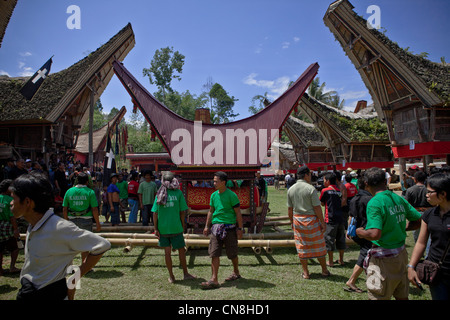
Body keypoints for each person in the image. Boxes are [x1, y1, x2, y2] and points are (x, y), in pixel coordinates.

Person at [11, 172, 110, 300]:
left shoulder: (59, 227)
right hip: (28, 290)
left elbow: (102, 245)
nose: (11, 203)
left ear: (28, 202)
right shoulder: (33, 224)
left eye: (13, 199)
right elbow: (94, 208)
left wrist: (73, 280)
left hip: (51, 294)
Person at [356, 167, 421, 300]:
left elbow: (375, 234)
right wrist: (400, 228)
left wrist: (360, 232)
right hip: (401, 256)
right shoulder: (397, 198)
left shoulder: (375, 202)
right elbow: (418, 220)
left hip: (383, 259)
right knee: (402, 295)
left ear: (366, 183)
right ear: (385, 181)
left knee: (377, 296)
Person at [407, 173, 450, 300]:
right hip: (436, 272)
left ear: (443, 194)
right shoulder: (429, 215)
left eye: (429, 192)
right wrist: (411, 266)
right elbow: (421, 243)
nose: (426, 195)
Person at [201, 171, 243, 289]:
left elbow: (238, 213)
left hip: (229, 227)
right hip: (215, 228)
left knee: (232, 253)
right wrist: (206, 226)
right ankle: (214, 279)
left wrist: (240, 228)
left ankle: (236, 272)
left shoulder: (232, 195)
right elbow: (211, 211)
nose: (213, 183)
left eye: (216, 181)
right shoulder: (213, 195)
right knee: (214, 253)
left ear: (223, 182)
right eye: (213, 181)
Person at [152, 172, 196, 283]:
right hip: (176, 227)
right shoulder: (178, 193)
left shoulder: (159, 194)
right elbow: (182, 212)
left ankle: (171, 276)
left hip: (163, 228)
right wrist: (183, 224)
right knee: (181, 250)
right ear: (173, 181)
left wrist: (156, 228)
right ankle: (186, 273)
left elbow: (155, 213)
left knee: (167, 252)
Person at [287, 165, 330, 279]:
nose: (310, 176)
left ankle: (306, 273)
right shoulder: (310, 189)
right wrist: (322, 222)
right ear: (306, 175)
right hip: (311, 220)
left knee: (302, 246)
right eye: (309, 174)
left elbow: (290, 209)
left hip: (298, 219)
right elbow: (317, 208)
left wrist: (291, 221)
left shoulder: (291, 189)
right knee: (319, 245)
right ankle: (324, 270)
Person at [345, 175, 372, 293]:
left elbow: (351, 216)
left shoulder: (354, 199)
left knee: (367, 253)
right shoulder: (370, 200)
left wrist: (348, 231)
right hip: (367, 231)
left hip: (356, 232)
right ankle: (352, 280)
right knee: (365, 253)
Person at [63, 172, 101, 237]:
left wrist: (66, 221)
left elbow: (64, 208)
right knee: (86, 242)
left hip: (72, 221)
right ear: (87, 182)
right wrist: (98, 223)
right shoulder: (90, 192)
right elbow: (94, 209)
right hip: (86, 220)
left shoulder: (69, 191)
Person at [320, 172, 346, 267]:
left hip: (330, 219)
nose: (323, 182)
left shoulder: (325, 190)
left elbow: (322, 203)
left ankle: (330, 262)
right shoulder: (339, 190)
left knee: (329, 240)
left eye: (324, 180)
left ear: (327, 181)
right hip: (340, 218)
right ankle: (341, 260)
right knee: (341, 239)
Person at [0, 179, 20, 276]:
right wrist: (16, 229)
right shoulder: (9, 200)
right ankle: (12, 267)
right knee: (14, 248)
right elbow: (12, 217)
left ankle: (0, 269)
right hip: (7, 225)